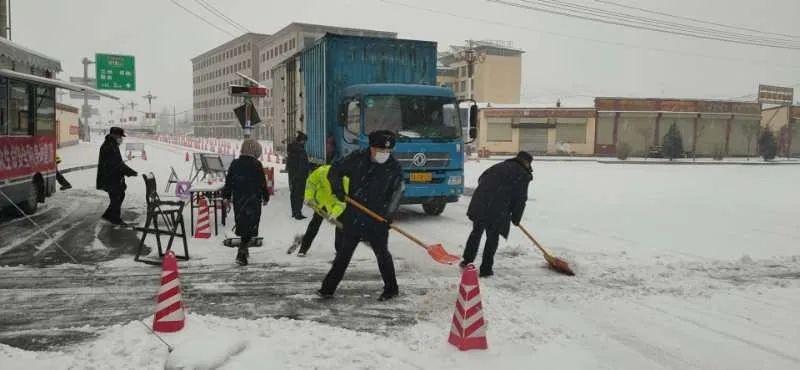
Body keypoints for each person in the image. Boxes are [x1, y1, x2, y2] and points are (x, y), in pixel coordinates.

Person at [318, 130, 404, 301]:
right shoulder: (357, 159)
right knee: (343, 254)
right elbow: (334, 171)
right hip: (355, 216)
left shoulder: (393, 166)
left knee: (382, 254)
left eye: (387, 151)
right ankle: (327, 289)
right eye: (381, 150)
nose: (384, 154)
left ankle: (391, 289)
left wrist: (389, 215)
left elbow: (398, 191)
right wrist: (339, 190)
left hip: (377, 218)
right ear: (371, 148)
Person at [461, 151, 533, 277]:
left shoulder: (500, 166)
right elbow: (520, 199)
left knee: (476, 232)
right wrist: (516, 217)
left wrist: (490, 194)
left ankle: (467, 260)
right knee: (492, 237)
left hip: (481, 201)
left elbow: (481, 179)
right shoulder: (522, 174)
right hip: (497, 208)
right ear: (526, 162)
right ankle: (486, 269)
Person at [223, 139, 270, 266]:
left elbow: (229, 181)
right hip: (253, 199)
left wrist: (226, 197)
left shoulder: (235, 163)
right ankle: (242, 253)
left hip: (239, 199)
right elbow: (262, 183)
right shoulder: (256, 164)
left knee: (242, 224)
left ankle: (244, 250)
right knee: (251, 225)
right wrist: (266, 196)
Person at [296, 164, 349, 257]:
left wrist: (334, 213)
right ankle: (303, 248)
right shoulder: (322, 172)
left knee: (340, 226)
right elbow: (311, 183)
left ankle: (339, 250)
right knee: (314, 224)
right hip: (321, 203)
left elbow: (342, 203)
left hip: (334, 204)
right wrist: (309, 197)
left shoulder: (346, 181)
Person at [96, 127, 137, 225]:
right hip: (109, 177)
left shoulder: (112, 145)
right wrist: (129, 172)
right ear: (114, 135)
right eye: (120, 136)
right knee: (116, 197)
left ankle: (108, 215)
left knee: (119, 195)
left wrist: (127, 171)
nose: (121, 139)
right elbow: (116, 164)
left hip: (113, 176)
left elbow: (118, 163)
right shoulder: (109, 146)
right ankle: (115, 218)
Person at [286, 131, 310, 220]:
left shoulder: (292, 149)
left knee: (293, 194)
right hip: (300, 177)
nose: (305, 143)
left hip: (293, 175)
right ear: (302, 140)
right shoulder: (300, 150)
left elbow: (289, 164)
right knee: (299, 194)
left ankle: (294, 212)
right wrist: (303, 175)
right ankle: (298, 213)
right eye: (305, 141)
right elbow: (303, 165)